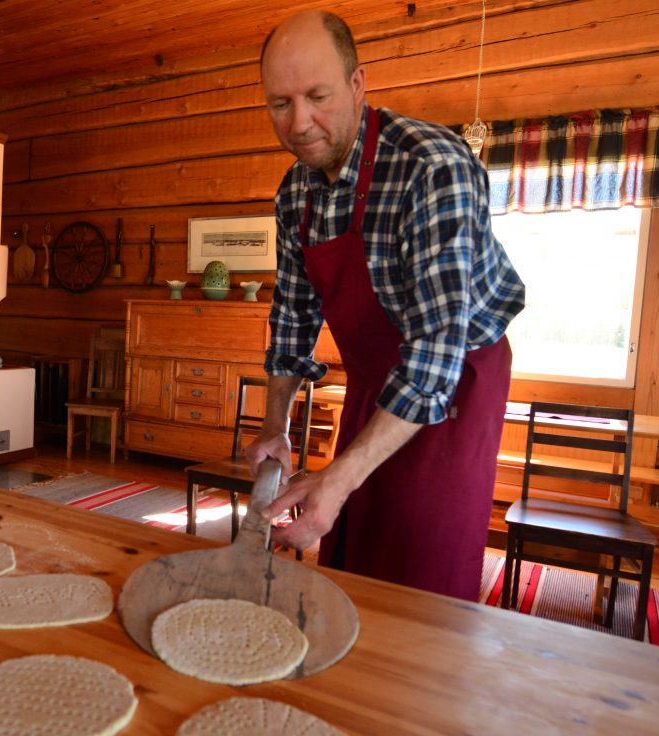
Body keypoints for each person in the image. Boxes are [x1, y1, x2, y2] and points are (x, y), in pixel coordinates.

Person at [245, 10, 526, 602]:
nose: (299, 123)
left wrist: (338, 477)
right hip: (376, 375)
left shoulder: (434, 167)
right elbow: (293, 319)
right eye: (279, 103)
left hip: (459, 379)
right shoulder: (295, 191)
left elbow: (434, 354)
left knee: (419, 555)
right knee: (355, 544)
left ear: (357, 84)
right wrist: (276, 426)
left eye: (318, 96)